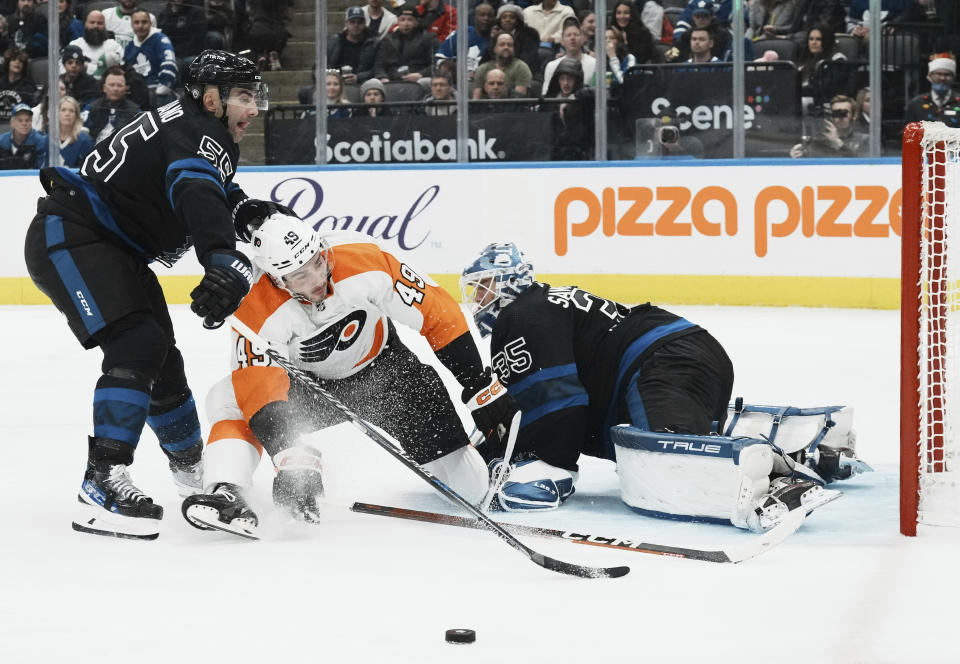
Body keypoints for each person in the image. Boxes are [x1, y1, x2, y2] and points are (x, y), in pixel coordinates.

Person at [22, 50, 271, 541]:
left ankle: (193, 478)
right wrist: (222, 257)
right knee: (137, 343)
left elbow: (203, 181)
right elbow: (194, 186)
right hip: (73, 235)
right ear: (212, 97)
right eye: (245, 96)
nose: (255, 108)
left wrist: (241, 208)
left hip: (107, 244)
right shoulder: (203, 129)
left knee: (163, 360)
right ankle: (102, 481)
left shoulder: (191, 124)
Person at [458, 243, 862, 526]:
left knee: (666, 460)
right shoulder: (541, 307)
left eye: (483, 286)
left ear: (507, 282)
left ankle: (783, 483)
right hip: (682, 353)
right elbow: (549, 402)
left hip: (660, 362)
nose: (478, 299)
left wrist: (548, 466)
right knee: (659, 443)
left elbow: (559, 408)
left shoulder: (521, 316)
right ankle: (811, 445)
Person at [180, 218, 518, 537]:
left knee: (471, 491)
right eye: (299, 275)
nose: (316, 279)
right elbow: (258, 388)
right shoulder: (254, 304)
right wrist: (290, 456)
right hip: (308, 390)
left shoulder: (362, 258)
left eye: (317, 261)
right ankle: (228, 491)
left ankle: (485, 454)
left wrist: (478, 384)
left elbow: (436, 311)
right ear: (276, 279)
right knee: (226, 398)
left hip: (390, 378)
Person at [124, 9, 178, 107]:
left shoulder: (160, 39)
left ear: (150, 23)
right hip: (137, 93)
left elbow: (170, 63)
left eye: (144, 22)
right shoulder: (129, 47)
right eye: (136, 22)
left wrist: (164, 86)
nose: (140, 26)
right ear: (132, 25)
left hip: (157, 90)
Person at [790, 94, 868, 157]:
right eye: (836, 113)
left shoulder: (865, 140)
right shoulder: (820, 142)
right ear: (831, 116)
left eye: (844, 113)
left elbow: (862, 164)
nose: (840, 117)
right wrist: (798, 157)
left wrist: (837, 142)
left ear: (854, 116)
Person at [373, 6, 437, 83]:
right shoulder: (388, 40)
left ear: (416, 22)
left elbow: (437, 63)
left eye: (410, 20)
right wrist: (383, 77)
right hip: (392, 80)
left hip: (418, 79)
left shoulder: (428, 39)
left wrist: (421, 74)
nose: (406, 23)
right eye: (402, 20)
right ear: (398, 22)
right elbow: (379, 64)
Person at [82, 65, 141, 142]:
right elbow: (81, 132)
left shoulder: (135, 111)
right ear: (104, 88)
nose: (115, 89)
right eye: (111, 85)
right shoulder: (92, 107)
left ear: (126, 88)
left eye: (119, 85)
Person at [435, 1, 494, 76]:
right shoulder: (461, 33)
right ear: (475, 17)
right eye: (482, 15)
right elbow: (441, 58)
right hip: (456, 79)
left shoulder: (497, 39)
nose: (486, 18)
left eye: (490, 16)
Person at [327, 6, 379, 86]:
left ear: (365, 23)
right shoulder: (334, 41)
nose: (356, 25)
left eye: (359, 22)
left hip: (365, 84)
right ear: (346, 23)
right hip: (337, 83)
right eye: (352, 22)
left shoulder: (373, 42)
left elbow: (378, 68)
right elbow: (325, 67)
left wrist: (358, 77)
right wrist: (337, 77)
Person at [905, 54, 960, 129]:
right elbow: (908, 134)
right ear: (929, 77)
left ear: (953, 78)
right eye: (938, 74)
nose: (942, 78)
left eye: (947, 75)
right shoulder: (916, 104)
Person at [66, 9, 124, 80]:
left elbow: (121, 70)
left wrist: (87, 67)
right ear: (85, 24)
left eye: (99, 23)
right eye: (92, 22)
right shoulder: (74, 45)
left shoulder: (114, 46)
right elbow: (65, 70)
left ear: (105, 26)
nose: (95, 26)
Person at [472, 32, 531, 99]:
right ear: (494, 48)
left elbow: (519, 100)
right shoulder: (482, 69)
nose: (506, 47)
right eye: (502, 45)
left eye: (510, 45)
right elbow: (476, 100)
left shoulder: (521, 68)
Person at [541, 21, 595, 95]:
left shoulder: (595, 64)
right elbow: (546, 94)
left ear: (582, 39)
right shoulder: (552, 66)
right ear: (562, 41)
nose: (572, 38)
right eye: (568, 35)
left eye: (576, 35)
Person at [491, 4, 541, 76]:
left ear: (518, 21)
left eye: (512, 17)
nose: (508, 20)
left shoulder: (529, 34)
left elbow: (529, 57)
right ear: (499, 21)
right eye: (504, 17)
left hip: (522, 71)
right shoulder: (495, 35)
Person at [247, 0, 293, 71]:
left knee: (252, 37)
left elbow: (249, 11)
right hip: (277, 30)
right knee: (281, 36)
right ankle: (273, 55)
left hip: (258, 29)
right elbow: (289, 16)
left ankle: (260, 56)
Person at [52, 94, 94, 167]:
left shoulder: (84, 141)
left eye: (71, 111)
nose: (67, 114)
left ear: (76, 115)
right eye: (63, 110)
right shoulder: (49, 139)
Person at [0, 101, 45, 168]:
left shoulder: (40, 142)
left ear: (31, 122)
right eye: (20, 120)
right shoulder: (1, 142)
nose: (24, 124)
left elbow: (41, 172)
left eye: (27, 120)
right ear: (12, 123)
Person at [0, 45, 37, 120]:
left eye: (21, 61)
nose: (17, 62)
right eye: (14, 59)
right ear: (8, 63)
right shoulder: (1, 82)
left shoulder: (28, 86)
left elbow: (30, 113)